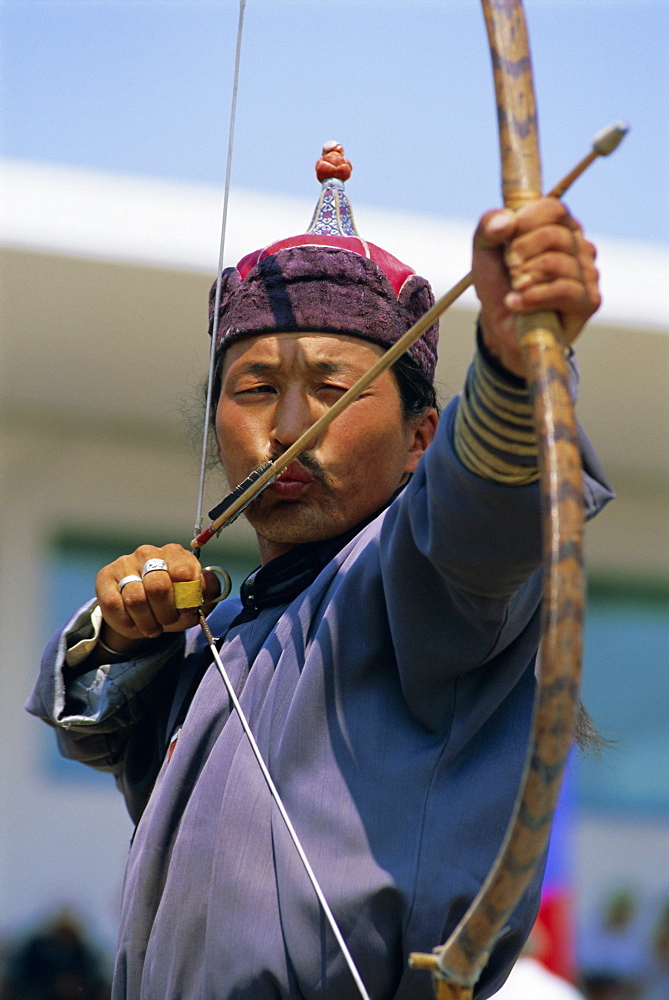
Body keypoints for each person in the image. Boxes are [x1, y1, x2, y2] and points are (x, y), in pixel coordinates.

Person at [27, 145, 612, 1000]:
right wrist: (120, 631)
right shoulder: (218, 634)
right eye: (255, 388)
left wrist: (516, 359)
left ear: (420, 437)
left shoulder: (416, 582)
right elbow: (97, 730)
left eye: (334, 389)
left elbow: (486, 506)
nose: (288, 425)